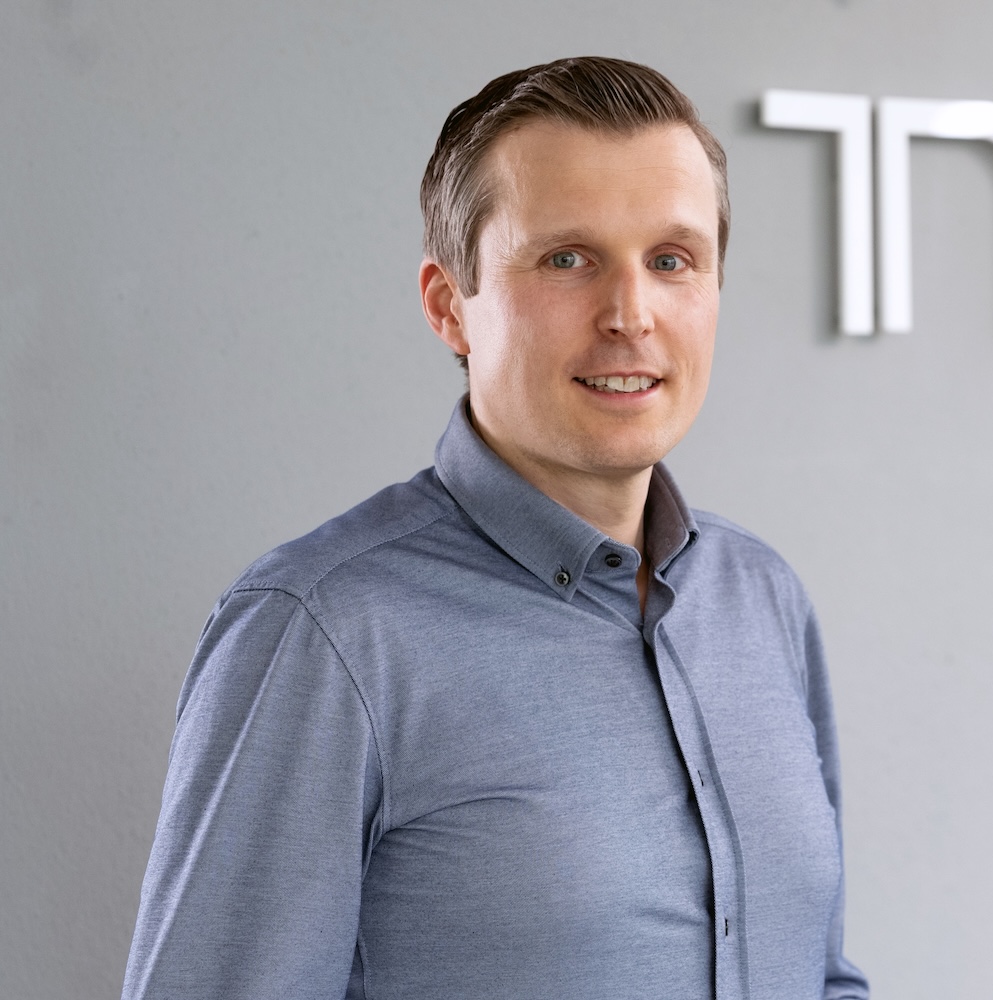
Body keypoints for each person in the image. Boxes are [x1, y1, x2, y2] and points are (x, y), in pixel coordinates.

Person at [122, 57, 869, 1000]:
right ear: (449, 305)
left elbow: (822, 976)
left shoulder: (761, 598)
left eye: (671, 261)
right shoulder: (324, 633)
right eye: (568, 259)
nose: (631, 315)